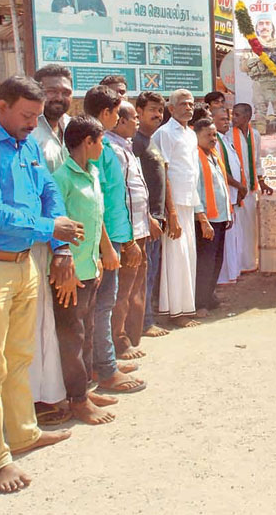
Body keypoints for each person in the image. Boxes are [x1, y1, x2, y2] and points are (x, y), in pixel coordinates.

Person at [0, 76, 76, 492]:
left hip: (24, 263)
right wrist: (49, 226)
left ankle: (23, 431)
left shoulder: (26, 143)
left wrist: (58, 240)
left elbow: (49, 191)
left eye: (36, 117)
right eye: (26, 116)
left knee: (20, 356)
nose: (31, 124)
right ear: (0, 106)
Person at [51, 115, 118, 426]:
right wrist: (67, 269)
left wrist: (103, 253)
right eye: (100, 141)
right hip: (71, 273)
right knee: (72, 336)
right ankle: (76, 400)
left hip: (90, 266)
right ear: (87, 142)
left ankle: (87, 391)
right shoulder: (62, 177)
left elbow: (96, 216)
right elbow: (56, 224)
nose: (102, 147)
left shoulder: (91, 173)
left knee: (88, 331)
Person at [83, 86, 146, 394]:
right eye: (117, 111)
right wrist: (108, 244)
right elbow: (96, 201)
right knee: (103, 305)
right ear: (107, 114)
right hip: (105, 240)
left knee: (106, 303)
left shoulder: (105, 145)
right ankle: (104, 369)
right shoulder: (96, 144)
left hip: (116, 236)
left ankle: (105, 360)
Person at [30, 64, 73, 426]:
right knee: (39, 323)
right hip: (43, 242)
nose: (59, 97)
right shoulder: (32, 134)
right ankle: (36, 401)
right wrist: (58, 247)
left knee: (64, 320)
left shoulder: (67, 130)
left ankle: (59, 390)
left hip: (67, 241)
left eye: (65, 91)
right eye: (51, 90)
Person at [107, 101, 161, 359]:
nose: (138, 122)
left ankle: (130, 336)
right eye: (132, 118)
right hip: (126, 234)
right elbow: (117, 196)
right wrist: (128, 242)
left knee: (135, 289)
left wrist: (148, 218)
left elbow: (136, 190)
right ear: (119, 121)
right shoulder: (111, 149)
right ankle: (118, 341)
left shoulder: (126, 147)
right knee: (123, 292)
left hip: (140, 229)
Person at [152, 89, 201, 326]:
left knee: (188, 256)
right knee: (175, 257)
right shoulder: (164, 133)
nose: (188, 108)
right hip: (173, 204)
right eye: (183, 104)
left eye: (191, 104)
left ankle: (186, 307)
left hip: (188, 201)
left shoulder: (190, 134)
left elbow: (192, 173)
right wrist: (170, 213)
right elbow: (164, 173)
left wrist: (199, 210)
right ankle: (174, 312)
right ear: (171, 109)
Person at [133, 91, 176, 338]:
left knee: (150, 274)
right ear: (138, 112)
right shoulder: (136, 143)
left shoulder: (152, 141)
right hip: (145, 220)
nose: (157, 115)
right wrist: (148, 217)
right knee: (143, 275)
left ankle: (145, 319)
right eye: (152, 110)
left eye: (160, 111)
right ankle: (143, 323)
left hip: (157, 218)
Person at [228, 103, 273, 273]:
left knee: (250, 226)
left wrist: (261, 181)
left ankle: (249, 263)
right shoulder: (228, 136)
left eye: (237, 115)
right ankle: (237, 265)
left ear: (247, 117)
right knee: (237, 227)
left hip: (251, 188)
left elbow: (257, 161)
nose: (233, 118)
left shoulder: (255, 135)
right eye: (233, 114)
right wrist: (237, 186)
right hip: (235, 189)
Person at [193, 118, 233, 314]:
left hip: (220, 217)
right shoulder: (195, 157)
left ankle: (209, 297)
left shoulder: (215, 156)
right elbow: (194, 190)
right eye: (207, 135)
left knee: (217, 261)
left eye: (214, 134)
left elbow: (221, 188)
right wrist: (202, 219)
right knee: (205, 263)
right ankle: (199, 303)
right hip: (206, 220)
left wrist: (228, 213)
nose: (212, 138)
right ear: (197, 136)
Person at [212, 108, 246, 285]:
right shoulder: (214, 140)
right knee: (225, 241)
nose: (227, 122)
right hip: (224, 196)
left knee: (233, 237)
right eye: (222, 119)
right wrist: (238, 185)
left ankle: (232, 273)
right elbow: (222, 168)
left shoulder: (226, 139)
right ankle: (223, 276)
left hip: (233, 196)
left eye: (228, 119)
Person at [240, 14, 276, 133]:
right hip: (260, 83)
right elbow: (243, 67)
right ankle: (259, 139)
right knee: (260, 113)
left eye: (267, 23)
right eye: (261, 24)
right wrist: (258, 59)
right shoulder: (251, 46)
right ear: (256, 28)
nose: (264, 27)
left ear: (272, 27)